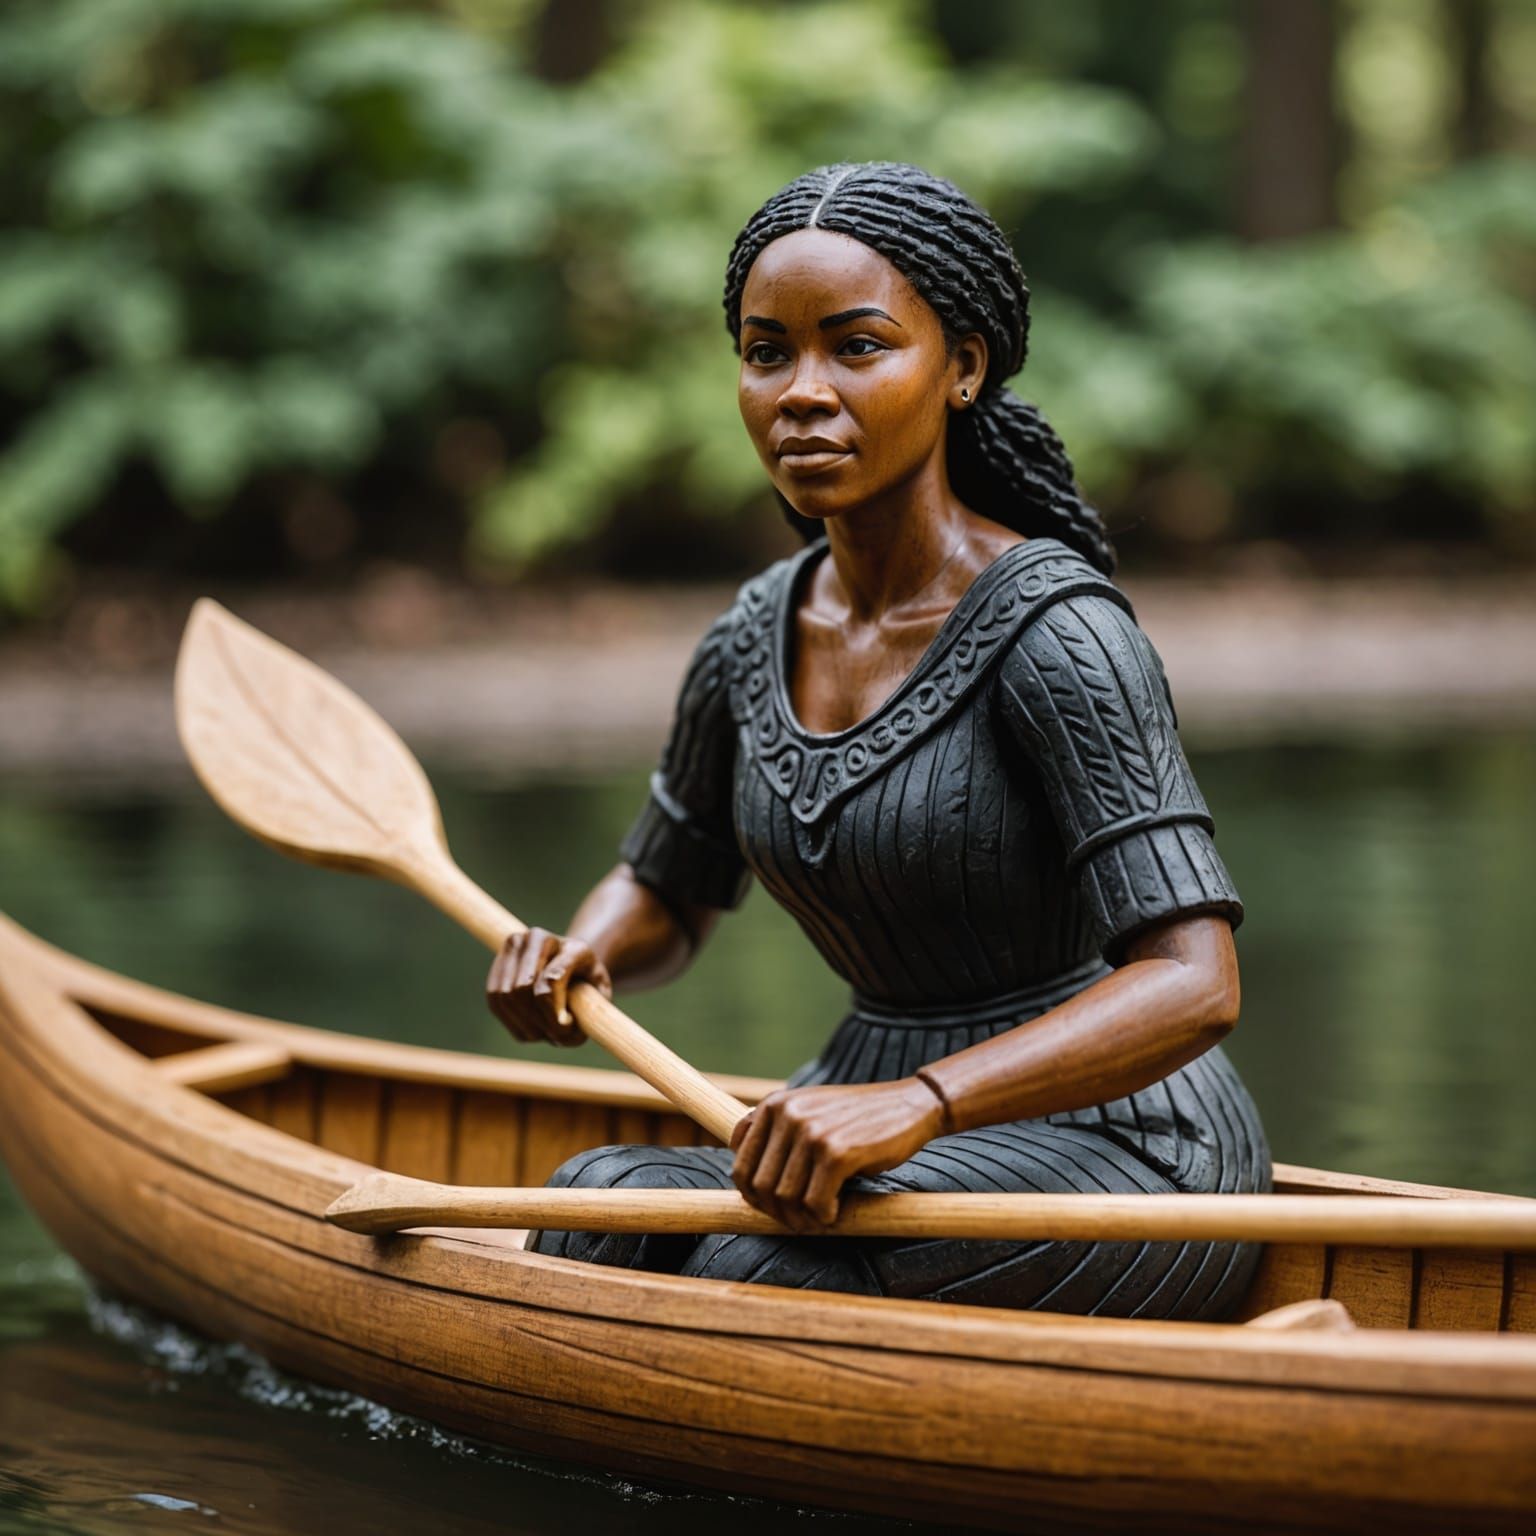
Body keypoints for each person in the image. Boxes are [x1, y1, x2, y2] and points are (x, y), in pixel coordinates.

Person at [485, 162, 1270, 1318]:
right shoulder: (752, 634)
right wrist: (583, 955)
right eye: (768, 353)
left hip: (1130, 1146)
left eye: (857, 347)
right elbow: (669, 885)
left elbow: (1194, 987)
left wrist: (925, 1102)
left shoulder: (1060, 633)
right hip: (856, 1113)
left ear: (962, 368)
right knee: (595, 1200)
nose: (802, 393)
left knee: (752, 1275)